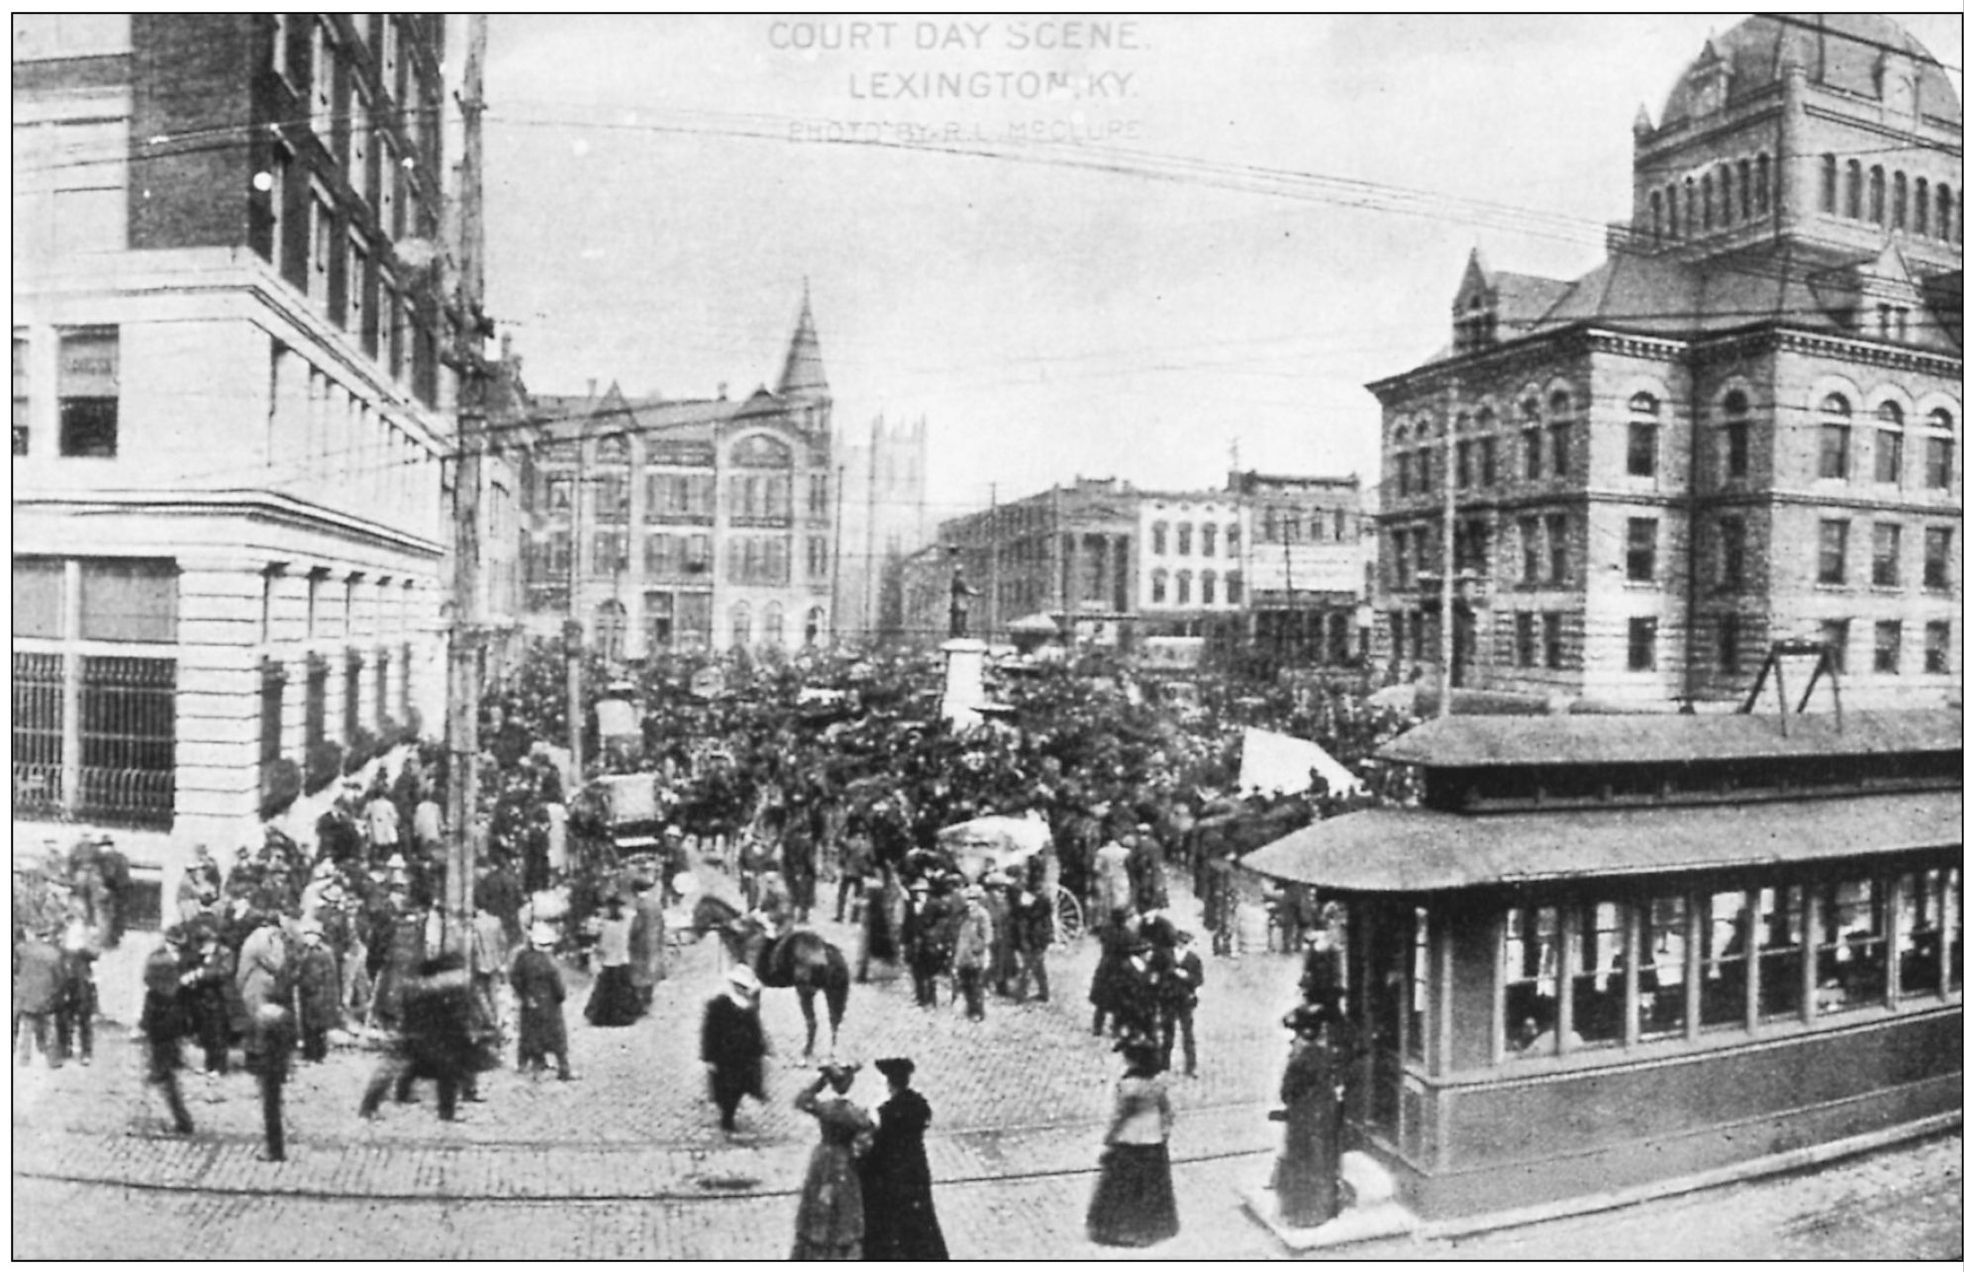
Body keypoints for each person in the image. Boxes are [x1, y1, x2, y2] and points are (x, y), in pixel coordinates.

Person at [1086, 1039, 1179, 1248]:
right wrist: (1164, 1132)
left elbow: (1120, 1116)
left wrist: (1108, 1138)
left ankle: (1119, 1229)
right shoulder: (1158, 1084)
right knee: (1149, 1187)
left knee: (1122, 1188)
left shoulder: (1127, 1085)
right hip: (1152, 1140)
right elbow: (1167, 1111)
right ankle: (1150, 1227)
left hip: (1128, 1140)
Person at [859, 1057, 950, 1261]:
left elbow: (879, 1147)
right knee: (921, 1219)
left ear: (889, 1082)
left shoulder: (887, 1112)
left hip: (892, 1174)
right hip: (915, 1168)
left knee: (890, 1224)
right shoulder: (918, 1104)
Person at [789, 1062, 876, 1260]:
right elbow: (867, 1138)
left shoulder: (825, 1109)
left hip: (822, 1158)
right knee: (844, 1207)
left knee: (818, 1201)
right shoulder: (855, 1113)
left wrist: (820, 1083)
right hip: (844, 1162)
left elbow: (802, 1100)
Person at [1271, 1005, 1343, 1227]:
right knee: (1322, 1163)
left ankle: (1302, 1214)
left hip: (1302, 1120)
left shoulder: (1300, 1058)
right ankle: (1323, 1209)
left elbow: (1286, 1092)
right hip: (1324, 1117)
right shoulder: (1326, 1055)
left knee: (1301, 1164)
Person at [701, 964, 769, 1134]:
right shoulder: (718, 1005)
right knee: (725, 1089)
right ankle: (726, 1116)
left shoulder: (749, 1008)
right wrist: (709, 1057)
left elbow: (755, 1030)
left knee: (739, 1087)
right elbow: (709, 1032)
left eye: (744, 987)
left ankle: (729, 1114)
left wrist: (760, 1048)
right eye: (739, 986)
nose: (741, 990)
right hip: (724, 1056)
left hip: (744, 1057)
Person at [139, 928, 196, 1134]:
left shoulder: (159, 960)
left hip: (165, 1024)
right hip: (164, 1022)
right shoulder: (164, 961)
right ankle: (178, 1119)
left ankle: (175, 1120)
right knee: (163, 1072)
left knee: (161, 1073)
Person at [510, 922, 574, 1081]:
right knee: (557, 1038)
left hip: (530, 1002)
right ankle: (564, 1069)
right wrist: (561, 996)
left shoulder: (522, 957)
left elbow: (515, 978)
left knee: (531, 1036)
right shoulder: (549, 962)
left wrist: (524, 995)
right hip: (550, 1004)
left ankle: (534, 1066)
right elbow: (558, 986)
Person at [247, 1001, 297, 1162]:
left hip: (267, 1066)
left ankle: (275, 1150)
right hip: (277, 1064)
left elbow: (255, 1047)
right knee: (273, 1106)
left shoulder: (263, 1016)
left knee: (270, 1109)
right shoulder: (281, 1016)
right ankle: (275, 1147)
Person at [584, 894, 641, 1027]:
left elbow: (601, 945)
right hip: (621, 960)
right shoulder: (625, 923)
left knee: (607, 991)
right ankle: (623, 1015)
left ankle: (605, 1017)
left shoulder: (605, 925)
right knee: (622, 990)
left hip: (611, 961)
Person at [292, 921, 341, 1063]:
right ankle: (310, 1052)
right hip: (308, 994)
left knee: (317, 1026)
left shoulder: (323, 953)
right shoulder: (305, 951)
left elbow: (328, 976)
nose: (308, 938)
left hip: (320, 993)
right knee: (308, 1025)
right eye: (306, 935)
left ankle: (317, 1054)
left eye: (311, 935)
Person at [14, 925, 62, 1067]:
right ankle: (53, 1060)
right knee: (50, 1029)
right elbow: (60, 978)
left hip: (27, 996)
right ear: (47, 936)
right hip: (47, 996)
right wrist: (56, 992)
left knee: (26, 1029)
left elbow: (15, 969)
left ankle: (24, 1059)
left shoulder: (24, 950)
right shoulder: (54, 954)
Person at [1158, 929, 1204, 1078]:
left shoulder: (1194, 959)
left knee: (1188, 1034)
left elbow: (1198, 980)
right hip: (1168, 998)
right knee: (1167, 1032)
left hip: (1185, 1000)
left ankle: (1191, 1066)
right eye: (1179, 943)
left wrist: (1187, 977)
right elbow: (1159, 975)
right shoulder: (1165, 956)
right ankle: (1164, 1063)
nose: (1182, 946)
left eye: (1185, 943)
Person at [54, 913, 98, 1067]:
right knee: (64, 1018)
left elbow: (95, 954)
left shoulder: (84, 951)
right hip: (66, 987)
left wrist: (82, 947)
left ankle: (86, 1052)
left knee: (84, 1020)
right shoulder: (62, 950)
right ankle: (65, 1048)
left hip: (82, 988)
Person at [1008, 866, 1052, 1003]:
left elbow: (1026, 915)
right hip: (1041, 934)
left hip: (1034, 935)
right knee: (1038, 966)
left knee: (1028, 965)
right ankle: (1044, 992)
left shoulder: (1032, 899)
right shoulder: (1043, 898)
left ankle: (1021, 995)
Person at [951, 884, 994, 1022]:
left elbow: (987, 936)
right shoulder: (963, 914)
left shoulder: (982, 915)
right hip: (963, 954)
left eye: (974, 899)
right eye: (968, 899)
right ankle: (969, 1008)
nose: (970, 902)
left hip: (976, 955)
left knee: (976, 984)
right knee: (965, 983)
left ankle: (977, 1011)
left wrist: (979, 948)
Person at [627, 876, 666, 1013]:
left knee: (639, 973)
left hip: (641, 943)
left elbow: (636, 927)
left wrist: (630, 937)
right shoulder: (656, 904)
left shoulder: (639, 905)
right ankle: (648, 998)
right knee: (651, 971)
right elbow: (662, 924)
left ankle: (640, 1003)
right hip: (654, 941)